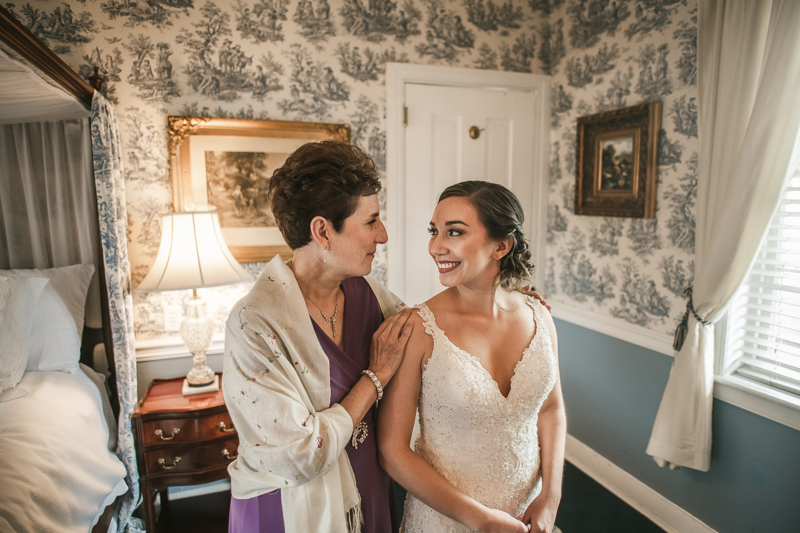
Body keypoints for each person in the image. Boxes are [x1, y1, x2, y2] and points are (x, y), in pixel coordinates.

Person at [223, 140, 414, 533]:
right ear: (322, 231)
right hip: (288, 509)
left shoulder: (371, 296)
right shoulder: (255, 323)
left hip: (369, 490)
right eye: (371, 221)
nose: (383, 235)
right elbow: (300, 454)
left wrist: (497, 302)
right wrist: (374, 378)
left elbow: (427, 331)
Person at [377, 181, 566, 533]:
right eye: (434, 232)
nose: (436, 247)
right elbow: (392, 451)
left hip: (528, 514)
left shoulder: (540, 316)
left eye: (455, 232)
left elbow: (551, 409)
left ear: (501, 245)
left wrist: (550, 497)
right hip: (446, 520)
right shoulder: (418, 328)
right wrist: (482, 520)